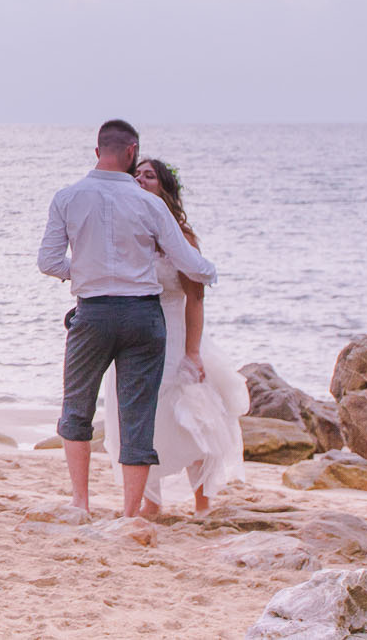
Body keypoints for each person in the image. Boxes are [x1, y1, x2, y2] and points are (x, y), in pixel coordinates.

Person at [37, 119, 217, 519]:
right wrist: (211, 271)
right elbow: (190, 263)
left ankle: (80, 502)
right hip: (142, 317)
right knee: (138, 415)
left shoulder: (67, 197)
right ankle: (131, 513)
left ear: (97, 151)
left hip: (93, 314)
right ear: (132, 152)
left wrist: (85, 272)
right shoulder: (150, 204)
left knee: (77, 407)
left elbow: (48, 262)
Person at [102, 157, 248, 515]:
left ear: (165, 188)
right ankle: (150, 504)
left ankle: (202, 505)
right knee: (134, 415)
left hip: (173, 331)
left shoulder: (181, 236)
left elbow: (195, 297)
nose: (140, 179)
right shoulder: (128, 231)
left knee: (188, 415)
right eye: (136, 174)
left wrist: (192, 352)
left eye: (149, 175)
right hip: (132, 334)